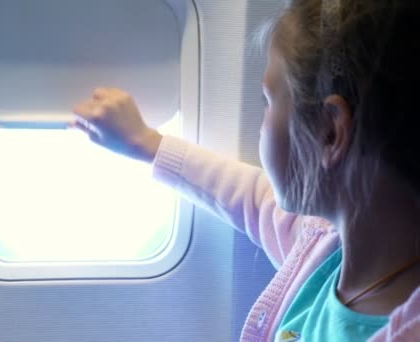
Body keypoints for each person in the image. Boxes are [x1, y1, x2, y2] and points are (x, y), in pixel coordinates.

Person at [70, 0, 420, 340]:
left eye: (268, 102)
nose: (262, 124)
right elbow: (252, 198)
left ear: (330, 132)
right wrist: (146, 144)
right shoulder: (326, 248)